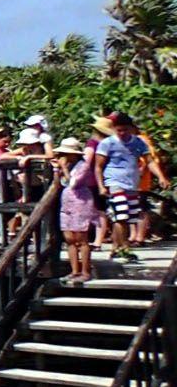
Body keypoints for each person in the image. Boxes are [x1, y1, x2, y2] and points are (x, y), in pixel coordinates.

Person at [97, 113, 165, 250]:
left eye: (125, 130)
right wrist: (101, 186)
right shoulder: (107, 143)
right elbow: (98, 166)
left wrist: (161, 176)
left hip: (132, 183)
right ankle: (125, 247)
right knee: (121, 214)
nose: (122, 133)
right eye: (119, 130)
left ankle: (116, 247)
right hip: (114, 181)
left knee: (128, 217)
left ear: (131, 128)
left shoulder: (138, 142)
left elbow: (149, 161)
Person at [57, 138, 99, 282]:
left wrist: (63, 169)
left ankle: (85, 271)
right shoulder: (67, 165)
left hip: (81, 202)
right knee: (69, 238)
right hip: (67, 203)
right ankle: (74, 271)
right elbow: (61, 183)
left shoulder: (83, 166)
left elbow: (73, 183)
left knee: (81, 238)